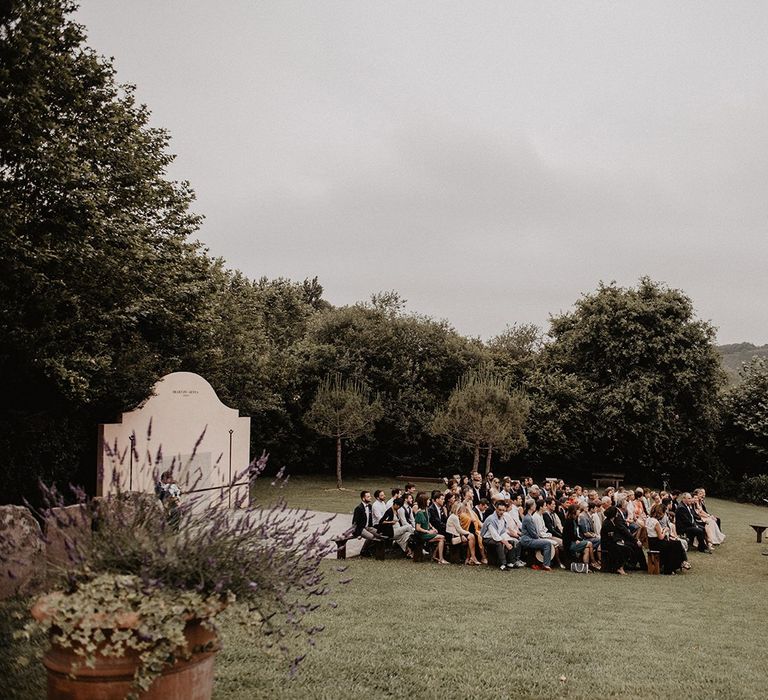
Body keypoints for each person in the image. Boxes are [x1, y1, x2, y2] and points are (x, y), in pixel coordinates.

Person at [480, 500, 524, 570]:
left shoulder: (502, 518)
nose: (501, 512)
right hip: (487, 539)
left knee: (511, 541)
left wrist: (509, 540)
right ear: (496, 509)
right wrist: (506, 543)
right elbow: (495, 536)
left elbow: (503, 532)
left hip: (497, 537)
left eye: (503, 510)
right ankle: (503, 564)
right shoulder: (491, 519)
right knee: (499, 543)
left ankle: (510, 563)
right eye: (500, 510)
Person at [646, 503, 687, 574]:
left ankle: (679, 563)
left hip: (651, 542)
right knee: (675, 545)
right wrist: (665, 530)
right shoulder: (656, 522)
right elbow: (661, 537)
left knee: (676, 543)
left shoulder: (648, 519)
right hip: (657, 543)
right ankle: (672, 567)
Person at [562, 504, 600, 569]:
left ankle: (586, 567)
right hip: (569, 543)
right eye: (578, 510)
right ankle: (593, 562)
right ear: (574, 511)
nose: (579, 511)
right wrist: (577, 540)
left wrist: (578, 539)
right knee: (589, 543)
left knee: (586, 549)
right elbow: (569, 535)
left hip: (574, 541)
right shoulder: (569, 521)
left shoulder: (575, 520)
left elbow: (575, 534)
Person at [519, 499, 553, 571]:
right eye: (534, 505)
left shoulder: (529, 516)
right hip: (527, 540)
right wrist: (539, 539)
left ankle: (543, 563)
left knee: (546, 542)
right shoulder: (528, 518)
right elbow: (533, 533)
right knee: (547, 543)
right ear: (531, 507)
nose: (535, 506)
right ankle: (546, 565)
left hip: (529, 539)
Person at [414, 493, 447, 564]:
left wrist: (433, 528)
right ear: (424, 501)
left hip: (427, 531)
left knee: (442, 537)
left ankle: (435, 556)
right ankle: (440, 558)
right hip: (422, 534)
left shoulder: (426, 510)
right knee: (442, 537)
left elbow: (428, 521)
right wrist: (428, 532)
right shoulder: (419, 513)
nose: (429, 501)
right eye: (428, 500)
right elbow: (418, 528)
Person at [600, 506, 632, 575]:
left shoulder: (613, 521)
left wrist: (620, 540)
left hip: (613, 541)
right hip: (608, 543)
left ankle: (622, 565)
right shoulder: (607, 523)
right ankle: (619, 567)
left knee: (628, 546)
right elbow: (610, 536)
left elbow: (616, 534)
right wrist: (618, 541)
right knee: (624, 549)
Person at [352, 491, 383, 555]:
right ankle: (364, 551)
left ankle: (370, 550)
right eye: (368, 497)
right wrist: (357, 534)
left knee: (380, 534)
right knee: (372, 537)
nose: (370, 498)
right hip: (360, 528)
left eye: (370, 496)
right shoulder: (359, 508)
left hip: (368, 527)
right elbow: (354, 522)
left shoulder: (370, 507)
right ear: (363, 499)